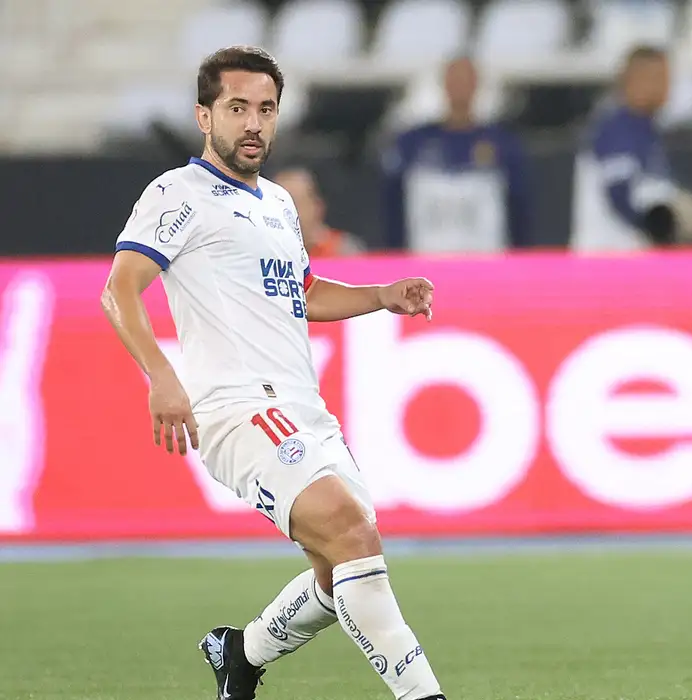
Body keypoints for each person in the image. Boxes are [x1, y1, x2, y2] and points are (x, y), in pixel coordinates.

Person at [99, 46, 448, 700]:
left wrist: (380, 295)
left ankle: (241, 653)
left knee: (338, 570)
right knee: (351, 532)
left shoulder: (279, 203)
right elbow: (119, 289)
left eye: (265, 109)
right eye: (237, 108)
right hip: (238, 408)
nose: (253, 123)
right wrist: (161, 376)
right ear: (205, 117)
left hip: (303, 408)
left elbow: (302, 293)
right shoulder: (179, 193)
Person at [571, 45, 692, 252]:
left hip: (631, 253)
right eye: (655, 78)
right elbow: (619, 194)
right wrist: (663, 230)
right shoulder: (617, 129)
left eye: (666, 78)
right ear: (631, 81)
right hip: (608, 254)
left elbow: (655, 190)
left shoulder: (645, 129)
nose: (664, 87)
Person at [381, 55, 531, 253]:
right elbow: (393, 207)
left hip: (484, 258)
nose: (460, 87)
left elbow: (519, 207)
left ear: (476, 85)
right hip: (427, 257)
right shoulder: (413, 143)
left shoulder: (501, 143)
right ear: (444, 84)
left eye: (466, 80)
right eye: (455, 80)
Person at [273, 167, 367, 257]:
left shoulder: (344, 251)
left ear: (317, 206)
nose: (284, 216)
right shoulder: (269, 251)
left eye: (295, 204)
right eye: (277, 207)